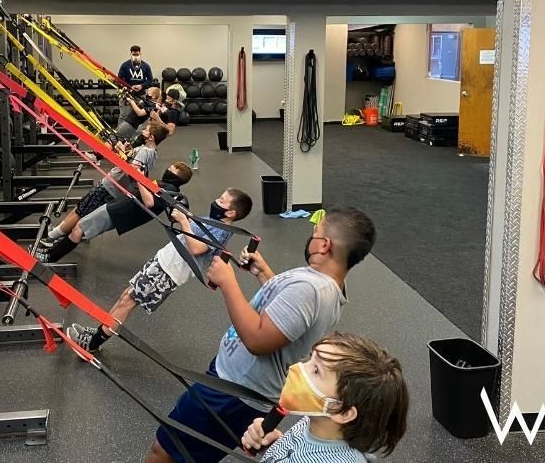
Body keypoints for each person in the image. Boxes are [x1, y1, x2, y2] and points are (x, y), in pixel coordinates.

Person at [143, 207, 377, 463]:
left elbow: (257, 339)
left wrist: (227, 282)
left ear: (324, 246)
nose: (311, 237)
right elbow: (288, 317)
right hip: (235, 385)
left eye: (315, 233)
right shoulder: (325, 286)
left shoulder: (310, 288)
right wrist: (264, 273)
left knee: (165, 450)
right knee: (182, 452)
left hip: (233, 393)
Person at [66, 188, 253, 354]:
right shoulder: (214, 221)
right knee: (126, 295)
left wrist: (183, 221)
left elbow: (196, 249)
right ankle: (102, 328)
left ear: (230, 212)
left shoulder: (222, 231)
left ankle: (92, 344)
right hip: (164, 261)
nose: (216, 202)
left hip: (169, 272)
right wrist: (181, 217)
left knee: (128, 302)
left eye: (221, 201)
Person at [241, 332, 409, 462]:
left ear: (342, 412)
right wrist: (276, 444)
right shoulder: (314, 422)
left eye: (316, 370)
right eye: (310, 358)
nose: (295, 368)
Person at [34, 161, 193, 263]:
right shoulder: (167, 185)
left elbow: (149, 202)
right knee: (80, 228)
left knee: (79, 229)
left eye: (171, 168)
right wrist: (139, 176)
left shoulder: (170, 190)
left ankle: (50, 257)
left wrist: (139, 178)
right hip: (119, 207)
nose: (167, 168)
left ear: (177, 175)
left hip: (120, 212)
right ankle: (50, 253)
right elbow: (145, 191)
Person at [41, 122, 169, 247]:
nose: (143, 131)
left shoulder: (145, 151)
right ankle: (62, 232)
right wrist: (124, 151)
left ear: (151, 137)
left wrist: (122, 152)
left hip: (111, 186)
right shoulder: (152, 152)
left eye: (146, 130)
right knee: (84, 210)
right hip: (116, 187)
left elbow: (132, 171)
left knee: (81, 210)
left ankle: (52, 236)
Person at [118, 45, 153, 124]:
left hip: (140, 95)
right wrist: (129, 87)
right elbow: (119, 80)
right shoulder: (125, 65)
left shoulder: (146, 66)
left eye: (137, 55)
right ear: (130, 54)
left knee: (140, 117)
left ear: (141, 53)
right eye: (134, 55)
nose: (135, 56)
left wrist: (141, 86)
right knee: (124, 115)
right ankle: (119, 135)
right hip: (127, 95)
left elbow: (150, 80)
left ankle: (138, 135)